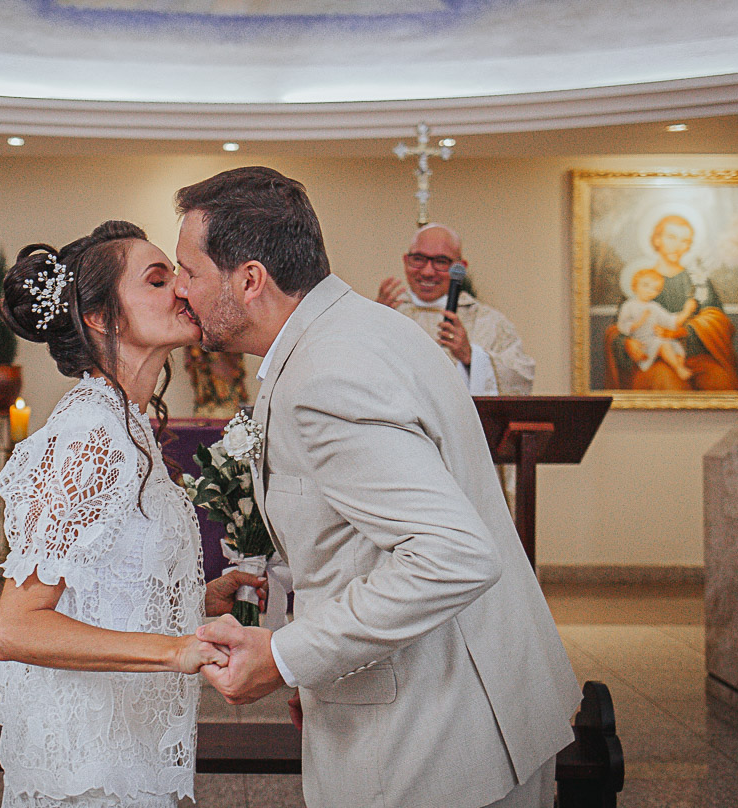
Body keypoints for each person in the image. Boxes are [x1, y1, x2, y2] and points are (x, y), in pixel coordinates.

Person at [173, 167, 580, 808]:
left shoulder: (325, 373)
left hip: (432, 738)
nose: (179, 290)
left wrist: (289, 655)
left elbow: (452, 555)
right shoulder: (362, 327)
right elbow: (348, 530)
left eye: (188, 271)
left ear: (250, 280)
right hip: (471, 705)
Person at [0, 220, 267, 808]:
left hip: (125, 739)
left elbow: (106, 580)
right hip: (87, 762)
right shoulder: (91, 432)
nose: (183, 291)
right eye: (159, 280)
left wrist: (200, 597)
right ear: (102, 318)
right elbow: (17, 627)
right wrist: (172, 650)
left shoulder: (123, 423)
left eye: (179, 277)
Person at [375, 223, 534, 395]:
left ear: (461, 268)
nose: (428, 272)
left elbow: (521, 377)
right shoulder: (383, 313)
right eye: (419, 259)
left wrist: (472, 357)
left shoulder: (489, 321)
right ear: (406, 261)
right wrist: (369, 327)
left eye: (441, 262)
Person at [606, 214, 738, 391]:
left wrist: (681, 332)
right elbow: (618, 327)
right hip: (655, 357)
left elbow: (719, 323)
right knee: (669, 386)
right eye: (671, 237)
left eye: (684, 241)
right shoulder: (643, 281)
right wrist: (626, 343)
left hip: (699, 357)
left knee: (724, 383)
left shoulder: (699, 282)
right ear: (656, 239)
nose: (677, 246)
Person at [617, 268, 698, 381]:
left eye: (655, 289)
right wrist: (638, 322)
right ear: (634, 286)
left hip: (655, 339)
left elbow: (670, 321)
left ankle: (678, 367)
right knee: (664, 345)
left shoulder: (654, 307)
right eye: (645, 285)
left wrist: (686, 312)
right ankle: (678, 369)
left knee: (677, 350)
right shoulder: (628, 306)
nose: (650, 291)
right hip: (642, 343)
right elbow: (622, 326)